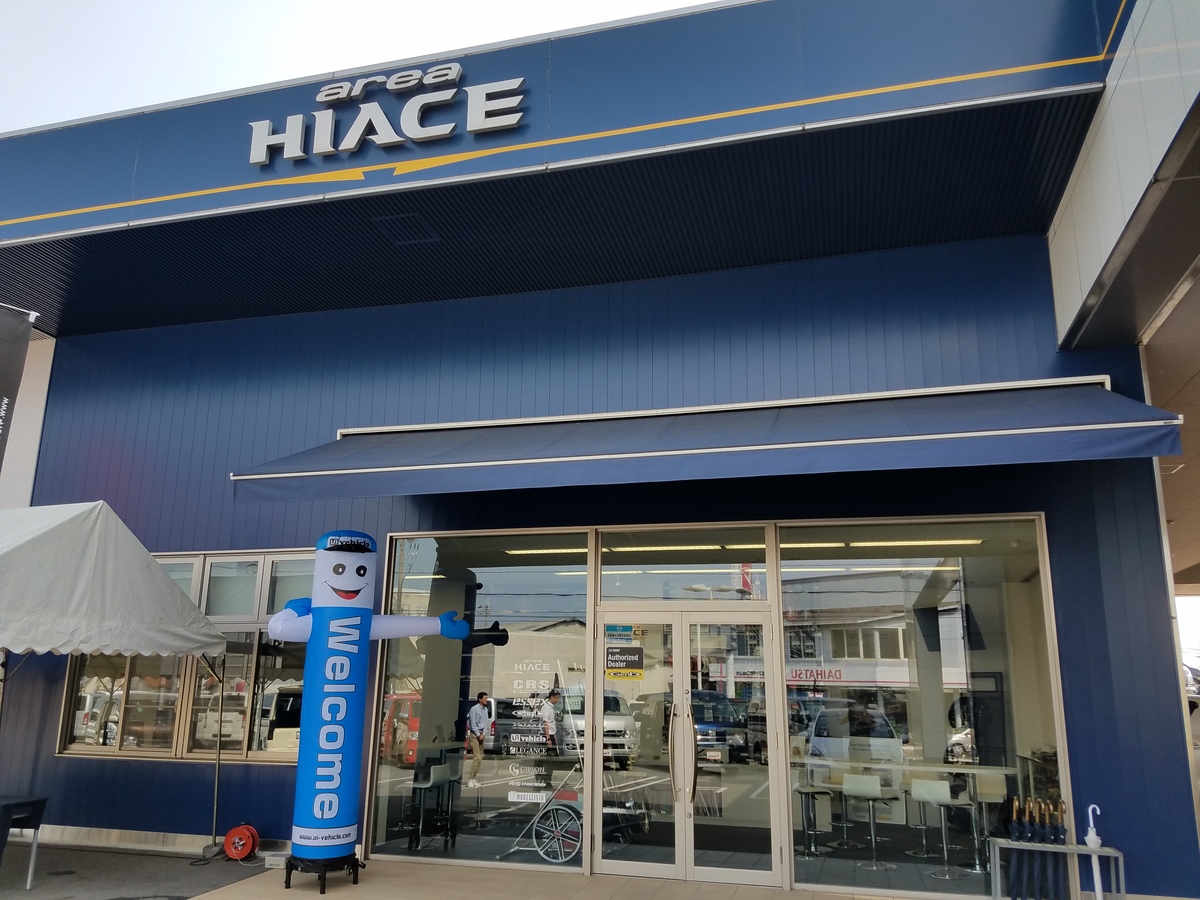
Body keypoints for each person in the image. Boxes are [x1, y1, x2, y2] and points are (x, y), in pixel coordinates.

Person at [466, 691, 490, 788]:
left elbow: (486, 723)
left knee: (480, 758)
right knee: (477, 757)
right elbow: (472, 723)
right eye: (485, 698)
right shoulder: (474, 709)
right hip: (475, 735)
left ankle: (474, 778)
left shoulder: (485, 709)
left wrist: (483, 734)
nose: (486, 700)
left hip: (481, 735)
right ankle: (470, 778)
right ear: (480, 699)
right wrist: (478, 734)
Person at [540, 689, 560, 756]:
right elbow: (545, 724)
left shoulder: (551, 707)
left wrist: (554, 736)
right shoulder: (546, 708)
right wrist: (548, 739)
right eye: (557, 698)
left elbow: (552, 723)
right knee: (551, 756)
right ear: (552, 697)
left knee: (555, 755)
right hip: (548, 735)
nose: (558, 700)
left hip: (552, 734)